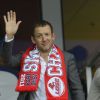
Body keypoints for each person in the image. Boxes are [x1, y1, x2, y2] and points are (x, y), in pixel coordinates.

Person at [2, 10, 85, 100]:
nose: (44, 39)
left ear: (53, 36)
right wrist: (9, 36)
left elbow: (76, 89)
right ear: (33, 39)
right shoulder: (25, 56)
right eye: (39, 36)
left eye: (47, 34)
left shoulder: (67, 58)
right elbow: (7, 61)